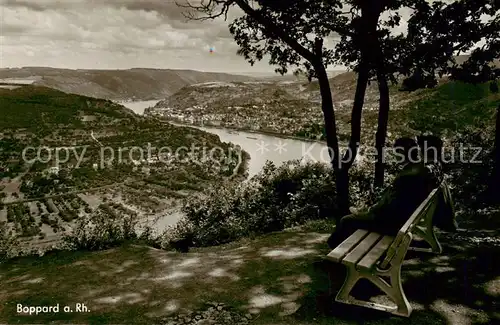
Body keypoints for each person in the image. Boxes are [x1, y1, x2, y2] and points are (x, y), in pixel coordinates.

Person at [328, 137, 429, 248]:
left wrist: (368, 213)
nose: (394, 155)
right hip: (402, 221)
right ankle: (338, 254)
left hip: (392, 224)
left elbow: (391, 207)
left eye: (396, 152)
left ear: (403, 152)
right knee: (351, 219)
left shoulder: (407, 177)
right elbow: (394, 201)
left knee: (346, 220)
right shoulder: (416, 170)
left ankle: (336, 257)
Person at [417, 135, 457, 232]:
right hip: (437, 213)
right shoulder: (437, 166)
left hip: (429, 215)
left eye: (419, 147)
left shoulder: (425, 170)